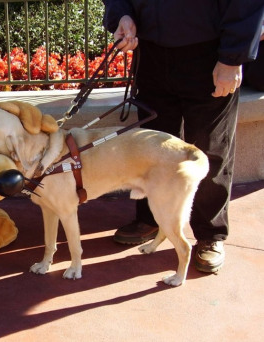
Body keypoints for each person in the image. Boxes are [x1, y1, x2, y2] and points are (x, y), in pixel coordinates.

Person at [102, 0, 264, 273]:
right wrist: (123, 14)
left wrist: (231, 58)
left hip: (209, 51)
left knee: (210, 146)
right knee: (152, 146)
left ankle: (210, 234)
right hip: (151, 51)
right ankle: (153, 219)